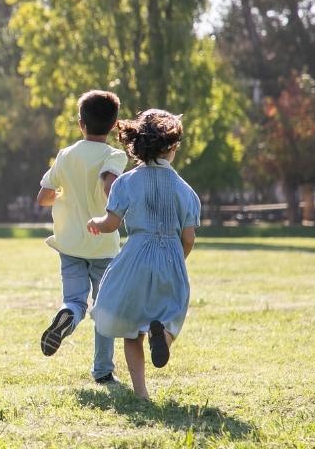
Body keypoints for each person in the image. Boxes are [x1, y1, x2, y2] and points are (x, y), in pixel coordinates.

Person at [87, 109, 199, 400]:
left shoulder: (125, 182)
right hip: (171, 256)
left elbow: (111, 224)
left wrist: (96, 223)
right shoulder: (186, 191)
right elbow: (189, 237)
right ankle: (163, 337)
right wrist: (177, 260)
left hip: (135, 256)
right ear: (172, 147)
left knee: (130, 328)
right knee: (172, 315)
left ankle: (141, 393)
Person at [35, 90, 127, 384]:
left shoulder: (66, 155)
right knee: (104, 308)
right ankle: (102, 370)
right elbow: (109, 184)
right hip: (103, 243)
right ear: (114, 126)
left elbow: (43, 197)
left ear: (80, 124)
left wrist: (67, 196)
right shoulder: (115, 155)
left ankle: (67, 316)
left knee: (74, 300)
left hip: (69, 243)